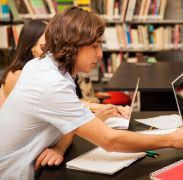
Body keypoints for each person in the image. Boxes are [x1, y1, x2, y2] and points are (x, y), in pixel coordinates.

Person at [0, 6, 183, 179]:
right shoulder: (50, 83)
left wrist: (61, 146)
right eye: (95, 46)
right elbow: (109, 140)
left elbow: (67, 120)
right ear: (72, 45)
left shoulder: (44, 65)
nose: (100, 54)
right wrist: (171, 139)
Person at [0, 19, 129, 172]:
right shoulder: (30, 77)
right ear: (32, 48)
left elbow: (68, 115)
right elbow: (67, 111)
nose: (57, 46)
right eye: (49, 42)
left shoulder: (48, 70)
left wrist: (60, 147)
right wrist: (93, 116)